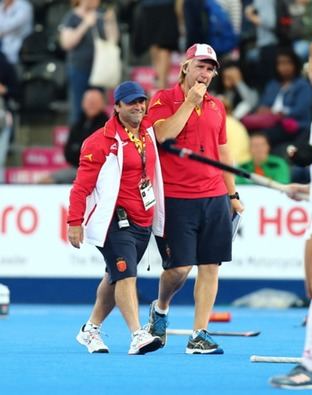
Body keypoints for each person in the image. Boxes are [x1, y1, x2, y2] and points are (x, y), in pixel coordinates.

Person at [146, 43, 244, 354]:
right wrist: (189, 103)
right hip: (176, 197)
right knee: (178, 270)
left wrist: (233, 194)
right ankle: (160, 308)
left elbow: (223, 151)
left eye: (210, 68)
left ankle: (199, 334)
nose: (205, 73)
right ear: (185, 66)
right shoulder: (163, 98)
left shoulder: (217, 106)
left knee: (210, 266)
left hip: (214, 195)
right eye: (200, 66)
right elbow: (163, 135)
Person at [67, 81, 165, 355]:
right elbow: (81, 187)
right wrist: (74, 222)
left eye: (141, 101)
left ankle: (90, 330)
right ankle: (138, 335)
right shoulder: (99, 141)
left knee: (114, 276)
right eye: (131, 102)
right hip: (115, 221)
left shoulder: (147, 133)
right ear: (117, 106)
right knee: (126, 276)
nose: (138, 106)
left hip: (143, 219)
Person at [269, 34, 312, 390]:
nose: (307, 66)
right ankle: (310, 366)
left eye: (311, 58)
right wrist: (307, 189)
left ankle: (311, 368)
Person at [60, 0, 119, 124]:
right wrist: (85, 24)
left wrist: (110, 21)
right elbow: (66, 43)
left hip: (100, 70)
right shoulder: (72, 17)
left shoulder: (102, 14)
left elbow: (113, 39)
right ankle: (78, 141)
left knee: (99, 110)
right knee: (78, 109)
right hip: (79, 68)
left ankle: (99, 141)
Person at [37, 88, 108, 184]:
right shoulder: (78, 123)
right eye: (89, 102)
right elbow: (68, 152)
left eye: (94, 102)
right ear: (83, 103)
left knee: (51, 180)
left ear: (102, 104)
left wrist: (78, 150)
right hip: (78, 168)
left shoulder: (107, 126)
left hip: (99, 170)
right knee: (45, 180)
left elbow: (97, 154)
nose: (91, 104)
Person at [0, 0, 33, 65]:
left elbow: (12, 25)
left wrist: (1, 32)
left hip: (20, 43)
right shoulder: (2, 5)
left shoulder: (24, 6)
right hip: (3, 42)